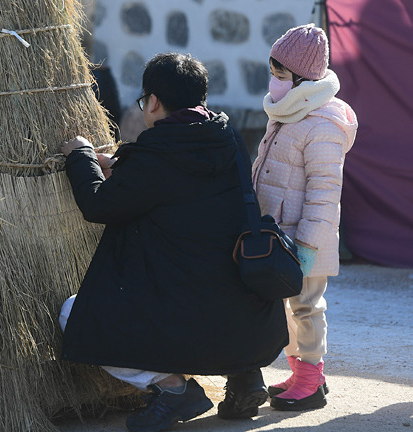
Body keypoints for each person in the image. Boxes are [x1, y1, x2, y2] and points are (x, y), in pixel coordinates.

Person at [58, 53, 289, 432]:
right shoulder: (225, 137)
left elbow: (99, 204)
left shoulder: (157, 156)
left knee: (74, 313)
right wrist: (123, 164)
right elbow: (179, 183)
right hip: (251, 325)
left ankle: (173, 389)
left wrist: (81, 156)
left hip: (192, 324)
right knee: (209, 275)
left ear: (152, 102)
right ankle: (245, 376)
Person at [253, 24, 358, 411]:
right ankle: (303, 373)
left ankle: (311, 382)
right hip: (280, 235)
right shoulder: (290, 110)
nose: (273, 82)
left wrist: (309, 246)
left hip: (304, 239)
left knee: (306, 307)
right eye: (273, 74)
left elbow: (324, 192)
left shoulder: (323, 123)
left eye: (280, 76)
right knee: (289, 308)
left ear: (301, 78)